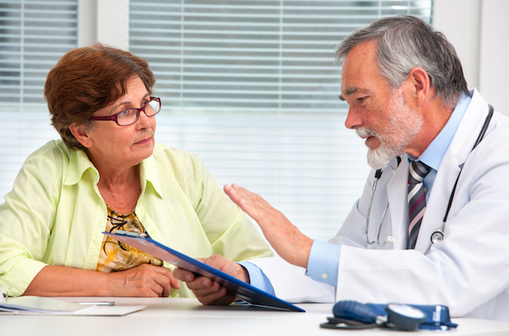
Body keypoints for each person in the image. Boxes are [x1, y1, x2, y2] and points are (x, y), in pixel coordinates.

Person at [173, 15, 509, 321]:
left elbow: (451, 284)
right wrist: (244, 279)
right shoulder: (395, 164)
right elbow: (342, 268)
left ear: (417, 86)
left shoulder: (498, 158)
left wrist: (304, 248)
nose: (350, 122)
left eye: (361, 99)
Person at [0, 43, 272, 298]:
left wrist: (233, 282)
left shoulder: (185, 170)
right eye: (125, 113)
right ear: (82, 132)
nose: (146, 122)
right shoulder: (48, 168)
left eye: (146, 104)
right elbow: (6, 266)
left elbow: (256, 264)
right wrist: (115, 285)